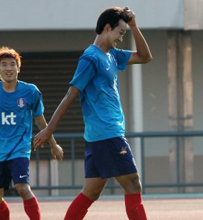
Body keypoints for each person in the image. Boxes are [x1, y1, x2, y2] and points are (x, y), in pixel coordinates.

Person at [33, 6, 152, 220]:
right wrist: (49, 129)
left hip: (99, 136)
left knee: (91, 191)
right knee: (133, 183)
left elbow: (145, 57)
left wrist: (133, 26)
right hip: (107, 133)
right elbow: (71, 94)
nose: (122, 39)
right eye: (121, 33)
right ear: (108, 28)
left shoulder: (112, 55)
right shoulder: (90, 58)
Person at [0, 46, 64, 220]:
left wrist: (53, 144)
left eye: (12, 64)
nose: (8, 68)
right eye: (4, 65)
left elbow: (40, 120)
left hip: (19, 149)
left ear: (18, 68)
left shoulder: (30, 92)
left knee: (22, 187)